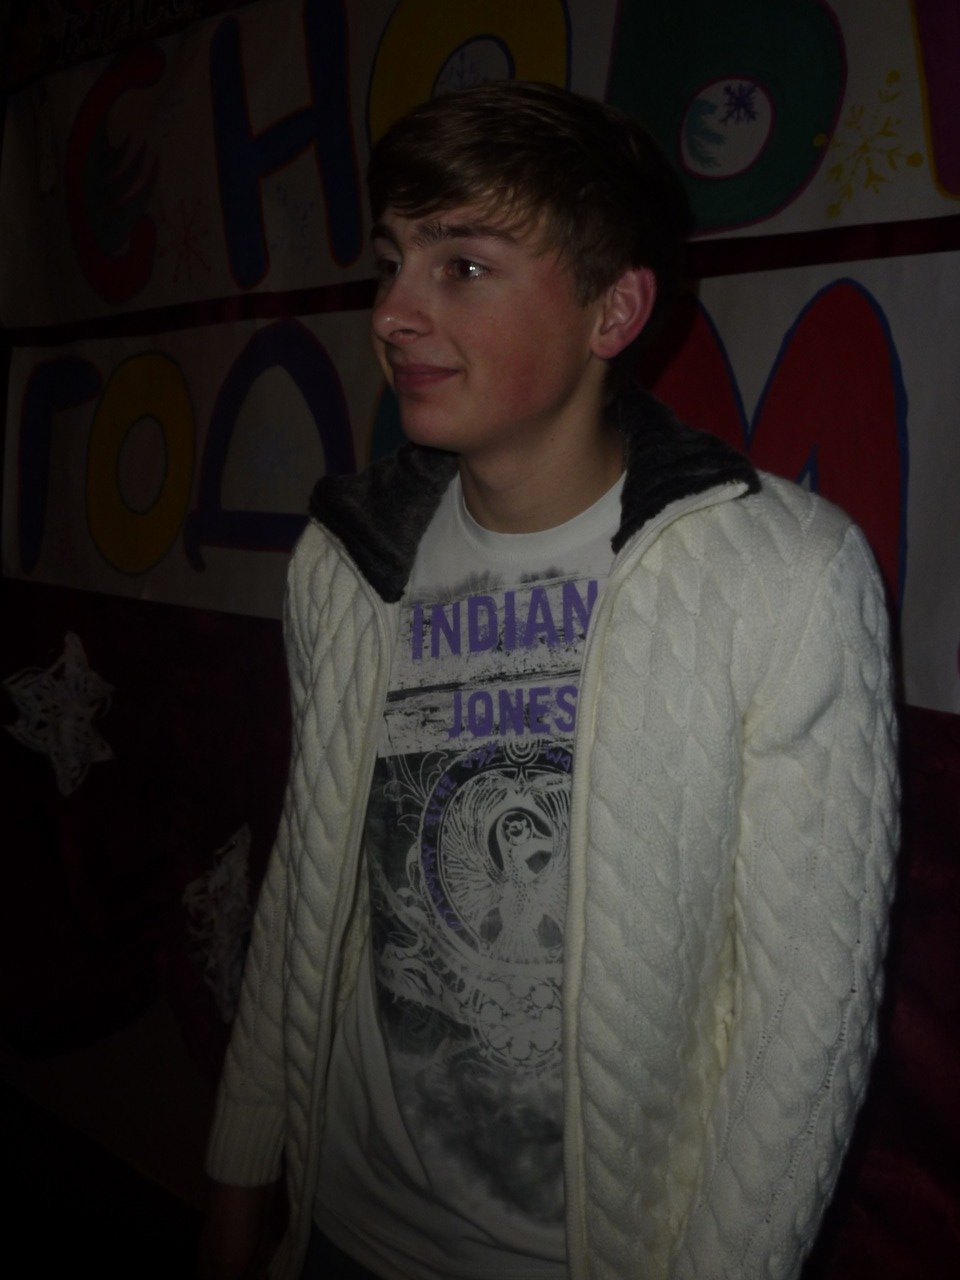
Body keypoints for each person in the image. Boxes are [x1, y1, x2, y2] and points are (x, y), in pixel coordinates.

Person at [199, 82, 898, 1280]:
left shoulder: (784, 574)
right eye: (393, 262)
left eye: (462, 266)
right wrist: (237, 1178)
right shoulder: (344, 561)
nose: (395, 313)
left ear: (612, 308)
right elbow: (308, 896)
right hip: (341, 1233)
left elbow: (805, 1030)